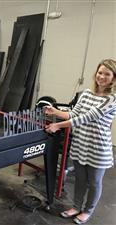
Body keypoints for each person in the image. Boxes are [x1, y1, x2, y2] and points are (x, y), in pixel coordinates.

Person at [44, 59, 116, 224]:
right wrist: (54, 111)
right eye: (100, 72)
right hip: (80, 144)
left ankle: (88, 211)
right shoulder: (86, 94)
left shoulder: (112, 99)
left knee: (94, 182)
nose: (102, 76)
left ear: (113, 78)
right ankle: (76, 207)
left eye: (107, 74)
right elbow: (74, 114)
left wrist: (57, 125)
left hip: (98, 148)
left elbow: (86, 118)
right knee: (80, 179)